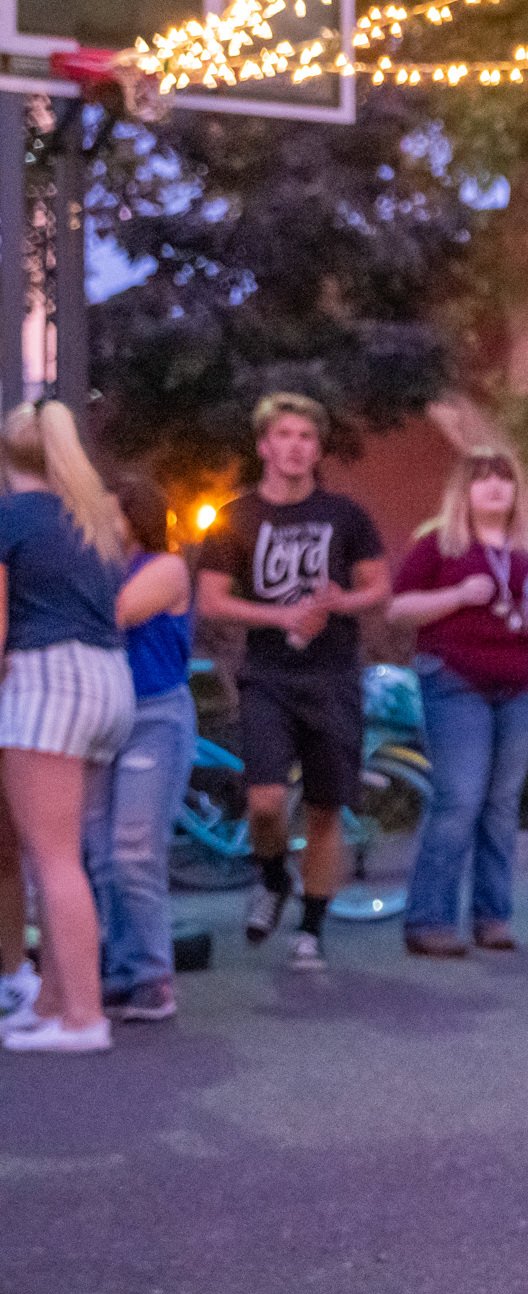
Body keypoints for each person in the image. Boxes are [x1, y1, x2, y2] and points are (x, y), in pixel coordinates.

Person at [194, 391, 390, 971]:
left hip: (331, 676)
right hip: (268, 676)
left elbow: (379, 589)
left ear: (317, 448)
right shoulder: (237, 516)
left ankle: (312, 929)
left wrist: (340, 601)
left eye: (306, 437)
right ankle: (274, 876)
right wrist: (277, 615)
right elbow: (210, 600)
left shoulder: (347, 516)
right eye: (284, 435)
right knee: (265, 802)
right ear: (263, 446)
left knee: (326, 809)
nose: (296, 447)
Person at [0, 404, 135, 1052]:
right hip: (108, 681)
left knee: (50, 860)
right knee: (64, 857)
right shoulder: (92, 522)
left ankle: (84, 1017)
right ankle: (55, 1002)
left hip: (45, 683)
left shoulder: (9, 521)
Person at [390, 448, 528, 957]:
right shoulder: (438, 545)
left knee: (502, 805)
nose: (494, 487)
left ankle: (493, 917)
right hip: (456, 680)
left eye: (504, 479)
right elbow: (399, 608)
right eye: (482, 479)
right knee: (460, 798)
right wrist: (458, 596)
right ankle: (429, 920)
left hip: (524, 684)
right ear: (463, 490)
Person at [83, 474, 195, 1023]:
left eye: (111, 512)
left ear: (137, 517)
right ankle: (121, 973)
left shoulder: (165, 568)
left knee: (133, 849)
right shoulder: (95, 568)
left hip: (154, 715)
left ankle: (154, 975)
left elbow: (118, 612)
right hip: (101, 718)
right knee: (101, 856)